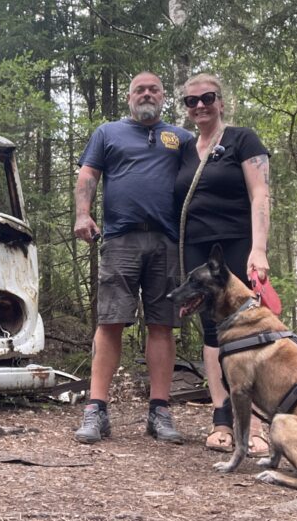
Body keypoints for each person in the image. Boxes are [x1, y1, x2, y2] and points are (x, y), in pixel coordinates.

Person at [73, 71, 193, 444]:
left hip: (168, 241)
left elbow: (200, 178)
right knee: (110, 321)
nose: (146, 94)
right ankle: (96, 410)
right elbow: (88, 173)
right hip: (121, 237)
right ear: (129, 97)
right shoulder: (107, 133)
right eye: (139, 90)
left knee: (162, 323)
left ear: (162, 97)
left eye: (153, 89)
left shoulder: (182, 138)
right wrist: (82, 213)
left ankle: (159, 411)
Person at [173, 72, 271, 456]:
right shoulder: (182, 149)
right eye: (191, 101)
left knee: (250, 329)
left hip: (238, 245)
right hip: (196, 249)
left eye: (207, 98)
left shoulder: (242, 139)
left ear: (221, 101)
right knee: (212, 332)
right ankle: (221, 418)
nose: (199, 106)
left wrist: (258, 249)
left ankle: (258, 421)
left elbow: (260, 192)